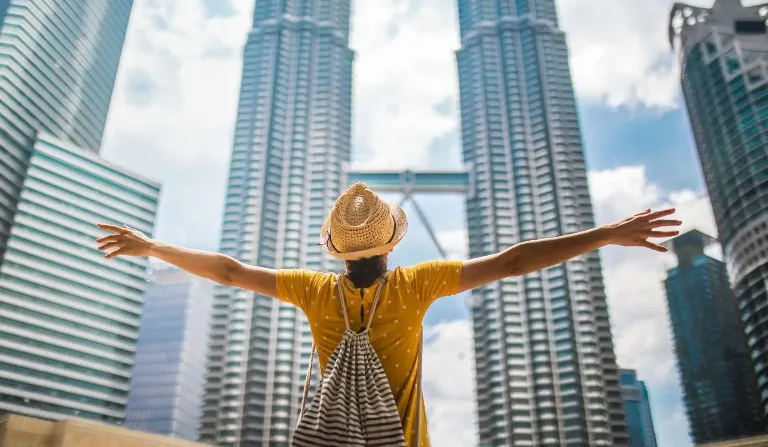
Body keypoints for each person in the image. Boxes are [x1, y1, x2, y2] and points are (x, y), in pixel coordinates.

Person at [96, 182, 680, 446]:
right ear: (390, 244)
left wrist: (153, 247)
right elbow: (513, 263)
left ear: (337, 249)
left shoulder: (314, 291)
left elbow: (228, 271)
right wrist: (606, 233)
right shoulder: (417, 285)